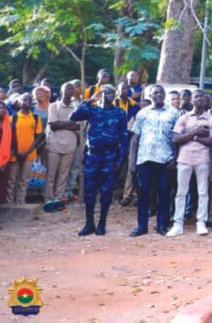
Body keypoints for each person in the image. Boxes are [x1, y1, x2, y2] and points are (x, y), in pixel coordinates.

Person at [71, 85, 128, 236]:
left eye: (111, 92)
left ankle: (102, 223)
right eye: (104, 92)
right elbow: (74, 116)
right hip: (92, 156)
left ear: (115, 95)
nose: (107, 95)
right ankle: (89, 223)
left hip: (110, 157)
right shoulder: (92, 110)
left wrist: (121, 159)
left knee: (106, 191)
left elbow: (124, 136)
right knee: (89, 191)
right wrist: (89, 100)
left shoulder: (120, 113)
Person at [130, 84, 178, 237]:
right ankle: (142, 226)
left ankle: (162, 225)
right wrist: (132, 161)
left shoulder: (174, 113)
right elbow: (135, 138)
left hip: (166, 159)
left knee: (164, 193)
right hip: (145, 159)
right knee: (144, 194)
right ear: (150, 96)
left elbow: (177, 138)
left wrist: (175, 158)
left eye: (161, 92)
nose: (158, 95)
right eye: (155, 93)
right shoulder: (142, 113)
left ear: (164, 95)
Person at [167, 93, 212, 237]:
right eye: (196, 97)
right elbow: (175, 138)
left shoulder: (211, 119)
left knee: (203, 192)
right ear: (192, 100)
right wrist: (195, 133)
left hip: (203, 159)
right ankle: (178, 224)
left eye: (202, 97)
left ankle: (201, 222)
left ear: (206, 100)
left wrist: (191, 137)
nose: (199, 99)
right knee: (181, 192)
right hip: (184, 159)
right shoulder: (184, 117)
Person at [44, 82, 81, 212]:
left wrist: (62, 124)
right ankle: (48, 199)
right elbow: (53, 125)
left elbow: (78, 126)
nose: (69, 91)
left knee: (63, 174)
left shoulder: (75, 108)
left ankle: (58, 198)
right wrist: (70, 124)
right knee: (51, 174)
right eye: (66, 88)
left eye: (71, 88)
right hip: (54, 144)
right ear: (61, 91)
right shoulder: (53, 106)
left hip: (70, 145)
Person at [8, 92, 44, 205]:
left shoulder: (35, 118)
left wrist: (28, 151)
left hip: (29, 154)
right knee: (12, 180)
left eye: (29, 100)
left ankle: (20, 202)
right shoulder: (12, 118)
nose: (27, 102)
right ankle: (9, 203)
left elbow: (39, 137)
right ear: (19, 102)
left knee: (24, 180)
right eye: (25, 100)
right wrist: (17, 152)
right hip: (15, 154)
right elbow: (9, 138)